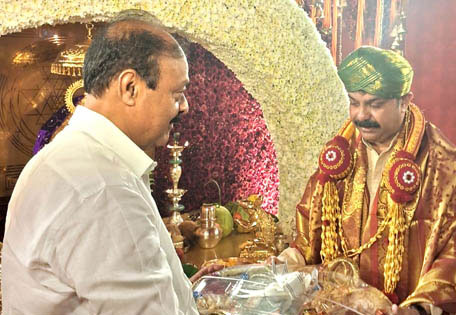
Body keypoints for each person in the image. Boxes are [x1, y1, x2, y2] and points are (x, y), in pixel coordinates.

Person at [1, 10, 217, 314]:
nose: (185, 106)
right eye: (177, 93)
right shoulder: (102, 190)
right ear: (130, 88)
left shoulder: (83, 158)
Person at [277, 46, 456, 315]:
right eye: (354, 102)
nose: (361, 116)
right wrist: (287, 262)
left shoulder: (442, 162)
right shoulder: (340, 154)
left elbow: (452, 249)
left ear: (404, 101)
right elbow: (310, 223)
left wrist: (420, 308)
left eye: (374, 105)